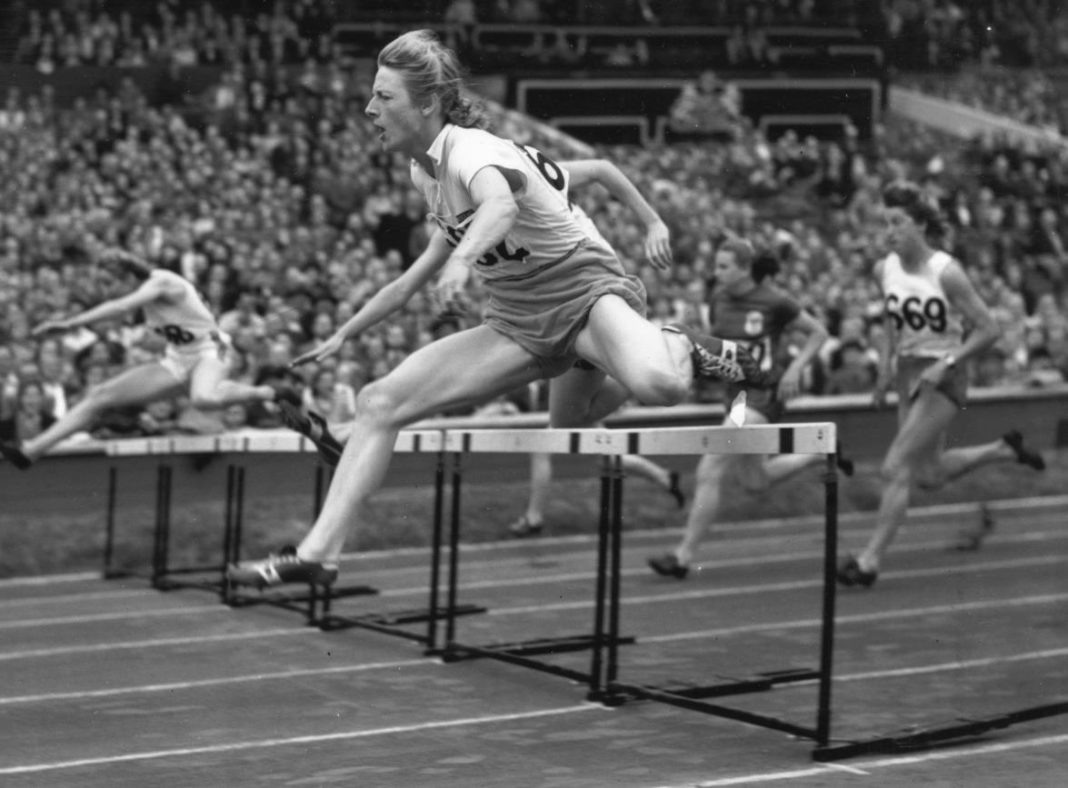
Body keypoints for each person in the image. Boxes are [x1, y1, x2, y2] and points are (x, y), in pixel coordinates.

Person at [227, 29, 767, 589]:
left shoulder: (472, 152)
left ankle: (678, 341)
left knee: (661, 385)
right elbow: (410, 281)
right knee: (383, 402)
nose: (369, 108)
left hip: (583, 291)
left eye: (383, 97)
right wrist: (344, 333)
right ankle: (317, 555)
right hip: (518, 317)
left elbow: (501, 207)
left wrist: (465, 261)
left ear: (428, 104)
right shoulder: (425, 173)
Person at [836, 181, 1045, 588]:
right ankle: (1003, 449)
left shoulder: (947, 272)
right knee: (928, 474)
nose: (889, 232)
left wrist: (948, 362)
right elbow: (891, 319)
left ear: (920, 225)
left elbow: (989, 329)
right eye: (885, 223)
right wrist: (885, 366)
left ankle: (868, 562)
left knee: (895, 466)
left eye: (897, 223)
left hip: (944, 373)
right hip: (907, 370)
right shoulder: (884, 269)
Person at [647, 240, 845, 579]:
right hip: (735, 396)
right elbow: (720, 347)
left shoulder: (775, 301)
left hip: (764, 394)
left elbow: (818, 333)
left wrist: (796, 369)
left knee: (711, 465)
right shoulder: (719, 299)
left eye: (724, 266)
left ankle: (682, 557)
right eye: (716, 265)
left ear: (744, 268)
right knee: (755, 481)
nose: (717, 272)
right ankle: (816, 454)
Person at [0, 248, 295, 470]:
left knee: (202, 398)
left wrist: (69, 323)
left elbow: (120, 306)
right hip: (178, 360)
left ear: (129, 277)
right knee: (100, 395)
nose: (106, 290)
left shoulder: (163, 281)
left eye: (109, 282)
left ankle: (267, 393)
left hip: (213, 350)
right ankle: (31, 451)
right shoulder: (147, 297)